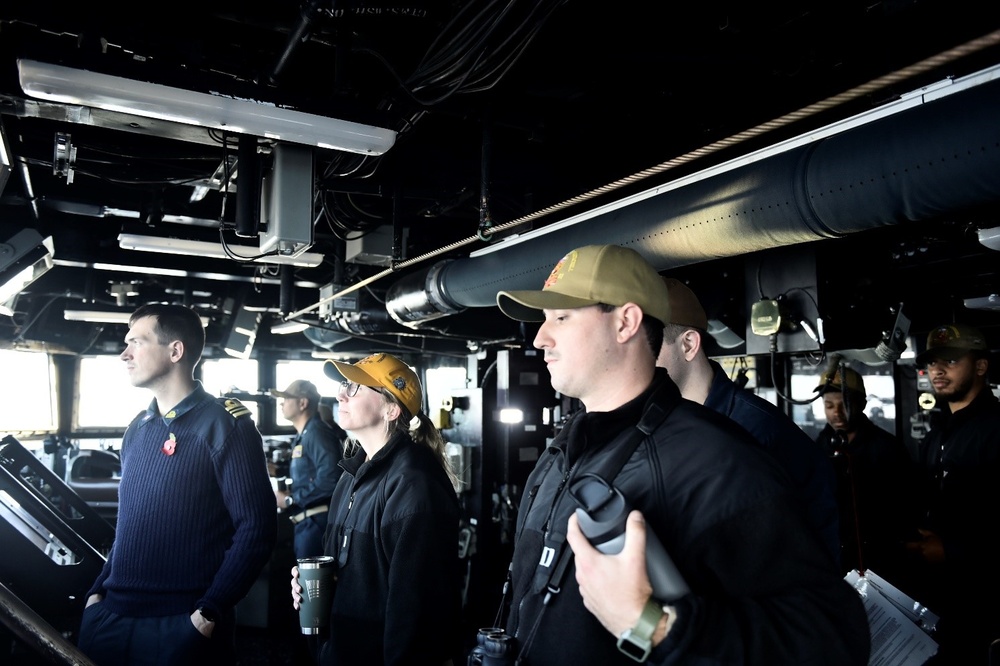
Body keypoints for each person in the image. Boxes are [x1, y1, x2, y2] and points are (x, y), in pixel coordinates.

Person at [495, 244, 869, 665]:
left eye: (561, 318)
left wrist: (649, 625)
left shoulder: (719, 462)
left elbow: (832, 639)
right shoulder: (558, 458)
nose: (540, 338)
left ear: (626, 323)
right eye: (544, 320)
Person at [77, 303, 277, 666]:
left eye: (136, 342)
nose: (124, 354)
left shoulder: (225, 426)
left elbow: (257, 529)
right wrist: (96, 595)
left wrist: (209, 613)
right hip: (110, 616)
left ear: (175, 351)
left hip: (181, 625)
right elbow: (130, 526)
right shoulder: (138, 428)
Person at [290, 352, 462, 665]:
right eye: (344, 384)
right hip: (340, 650)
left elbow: (416, 611)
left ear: (392, 408)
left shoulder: (414, 484)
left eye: (355, 387)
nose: (340, 393)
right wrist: (310, 585)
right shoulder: (351, 475)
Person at [656, 277, 841, 565]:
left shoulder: (758, 430)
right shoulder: (660, 427)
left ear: (689, 344)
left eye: (647, 346)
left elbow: (820, 543)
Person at [907, 323, 1000, 665]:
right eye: (932, 362)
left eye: (951, 360)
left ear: (980, 366)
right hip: (944, 599)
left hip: (988, 605)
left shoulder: (994, 429)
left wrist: (952, 549)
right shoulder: (937, 434)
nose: (937, 370)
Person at [814, 362, 919, 579]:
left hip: (881, 560)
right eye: (829, 406)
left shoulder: (887, 448)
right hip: (832, 558)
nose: (837, 413)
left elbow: (908, 506)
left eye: (845, 404)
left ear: (861, 404)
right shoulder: (819, 446)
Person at [270, 379, 346, 559]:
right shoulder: (304, 435)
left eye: (287, 398)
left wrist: (290, 499)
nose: (282, 403)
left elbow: (331, 480)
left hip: (317, 525)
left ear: (303, 403)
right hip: (306, 523)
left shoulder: (317, 434)